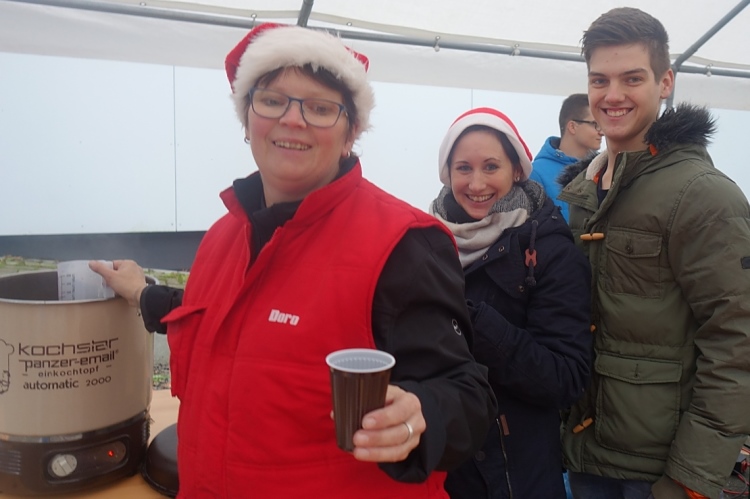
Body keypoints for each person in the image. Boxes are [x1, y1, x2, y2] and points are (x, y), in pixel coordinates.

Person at [91, 23, 497, 498]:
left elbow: (468, 396)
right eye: (272, 100)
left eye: (320, 108)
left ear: (350, 134)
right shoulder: (221, 238)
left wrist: (421, 413)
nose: (292, 119)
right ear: (247, 121)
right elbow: (212, 322)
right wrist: (140, 292)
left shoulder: (402, 244)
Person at [557, 7, 750, 499]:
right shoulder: (582, 192)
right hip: (586, 456)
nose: (612, 95)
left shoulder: (703, 195)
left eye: (632, 78)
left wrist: (691, 479)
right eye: (599, 80)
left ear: (665, 82)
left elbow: (737, 341)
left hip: (659, 473)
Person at [428, 107, 592, 499]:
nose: (476, 183)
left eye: (491, 166)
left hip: (517, 474)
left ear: (517, 170)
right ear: (447, 173)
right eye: (463, 168)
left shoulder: (551, 251)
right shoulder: (426, 243)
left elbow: (566, 377)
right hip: (442, 466)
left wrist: (477, 325)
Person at [530, 93, 603, 222]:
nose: (602, 131)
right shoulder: (536, 173)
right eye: (595, 124)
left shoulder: (603, 170)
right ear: (572, 127)